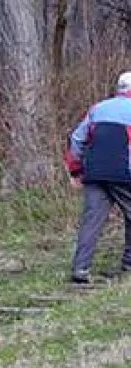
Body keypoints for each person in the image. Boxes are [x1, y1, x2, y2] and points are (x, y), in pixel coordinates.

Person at [65, 71, 131, 284]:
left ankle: (80, 269)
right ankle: (128, 264)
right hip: (124, 173)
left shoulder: (98, 109)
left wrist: (76, 171)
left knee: (92, 220)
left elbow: (77, 140)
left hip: (94, 173)